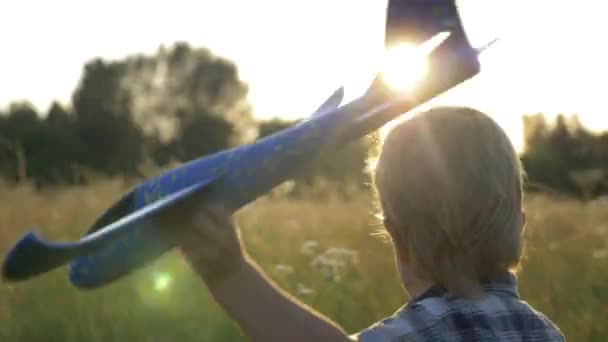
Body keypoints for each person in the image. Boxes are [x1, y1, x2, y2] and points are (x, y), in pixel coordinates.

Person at [159, 106, 565, 341]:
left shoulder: (420, 333)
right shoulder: (544, 333)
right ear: (521, 226)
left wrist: (230, 273)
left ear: (398, 238)